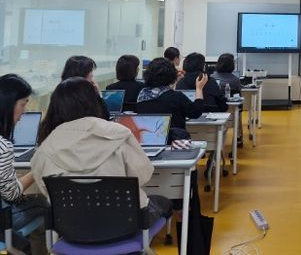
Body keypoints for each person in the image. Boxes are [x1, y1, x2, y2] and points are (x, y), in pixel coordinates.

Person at [31, 78, 172, 228]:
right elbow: (143, 175)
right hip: (124, 223)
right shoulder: (118, 133)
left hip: (72, 227)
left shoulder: (46, 147)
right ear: (94, 102)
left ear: (55, 108)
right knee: (164, 203)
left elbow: (44, 189)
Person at [0, 75, 47, 255]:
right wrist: (36, 170)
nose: (24, 111)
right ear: (8, 104)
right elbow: (11, 194)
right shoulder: (3, 146)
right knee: (42, 203)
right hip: (3, 223)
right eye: (23, 104)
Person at [135, 58, 205, 130]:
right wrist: (199, 88)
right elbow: (196, 112)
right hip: (173, 136)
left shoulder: (142, 94)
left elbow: (164, 94)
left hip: (150, 136)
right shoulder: (177, 97)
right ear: (171, 75)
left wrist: (175, 81)